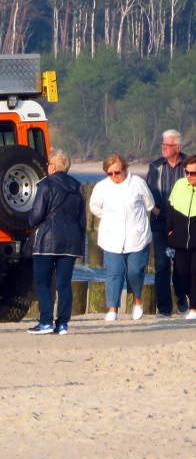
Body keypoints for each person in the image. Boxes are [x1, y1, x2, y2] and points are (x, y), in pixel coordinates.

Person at [26, 149, 86, 335]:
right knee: (64, 283)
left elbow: (36, 215)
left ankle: (46, 322)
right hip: (71, 241)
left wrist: (29, 221)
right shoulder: (77, 187)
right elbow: (82, 219)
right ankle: (62, 324)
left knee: (43, 282)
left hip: (47, 239)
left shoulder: (46, 184)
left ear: (52, 167)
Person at [89, 153, 154, 321]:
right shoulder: (102, 187)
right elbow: (94, 207)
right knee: (114, 272)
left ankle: (137, 300)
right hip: (111, 238)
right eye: (109, 173)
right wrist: (110, 218)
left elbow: (149, 204)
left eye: (116, 172)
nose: (114, 176)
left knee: (134, 272)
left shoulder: (138, 183)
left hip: (136, 237)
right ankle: (112, 308)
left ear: (124, 169)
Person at [146, 129, 190, 316]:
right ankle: (164, 308)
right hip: (160, 223)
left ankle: (181, 297)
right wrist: (156, 211)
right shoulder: (156, 167)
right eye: (162, 144)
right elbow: (149, 192)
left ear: (178, 148)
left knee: (181, 266)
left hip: (183, 224)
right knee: (162, 266)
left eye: (168, 145)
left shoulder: (189, 165)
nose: (163, 148)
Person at [166, 154, 196, 319]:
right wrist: (169, 230)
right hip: (179, 239)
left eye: (194, 173)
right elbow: (171, 208)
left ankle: (194, 308)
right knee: (181, 272)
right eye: (187, 172)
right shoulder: (179, 185)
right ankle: (185, 297)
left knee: (194, 273)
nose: (190, 176)